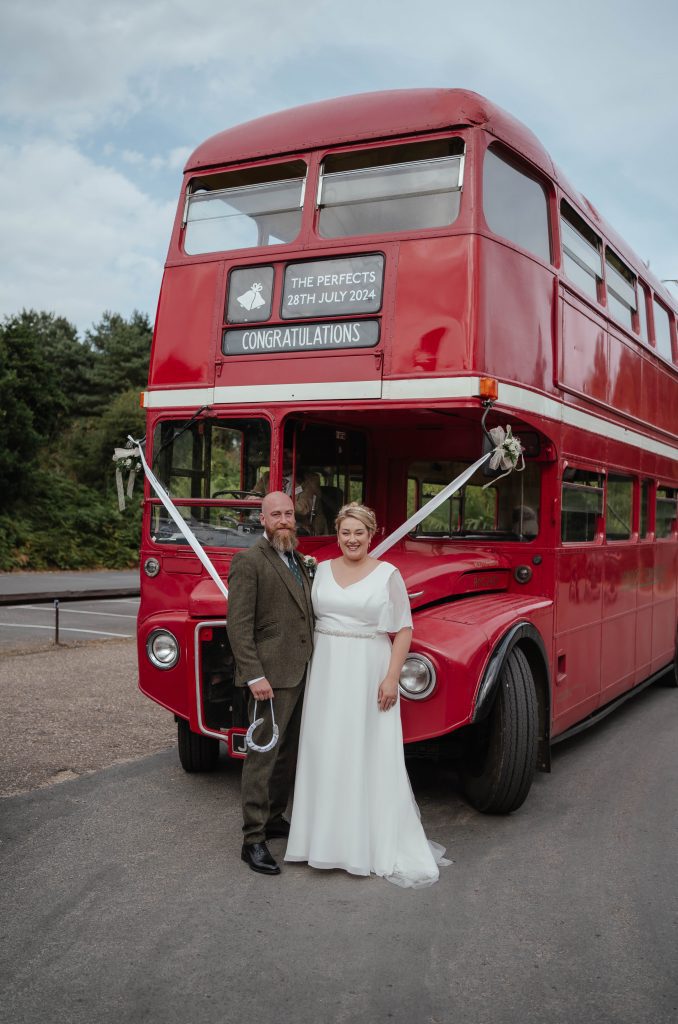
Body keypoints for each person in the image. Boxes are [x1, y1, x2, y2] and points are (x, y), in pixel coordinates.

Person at [285, 502, 448, 887]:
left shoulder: (388, 575)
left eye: (359, 532)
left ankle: (364, 845)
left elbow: (403, 630)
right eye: (345, 532)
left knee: (363, 750)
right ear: (337, 534)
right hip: (325, 670)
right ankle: (320, 842)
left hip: (368, 669)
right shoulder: (320, 569)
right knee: (325, 750)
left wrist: (392, 678)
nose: (352, 539)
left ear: (371, 535)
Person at [226, 491, 314, 875]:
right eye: (275, 514)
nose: (283, 520)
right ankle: (253, 839)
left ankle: (276, 817)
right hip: (268, 677)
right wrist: (253, 674)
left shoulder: (297, 558)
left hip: (301, 672)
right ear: (262, 519)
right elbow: (238, 625)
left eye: (288, 514)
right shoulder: (248, 562)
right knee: (262, 757)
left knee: (288, 754)